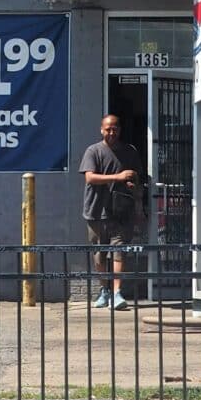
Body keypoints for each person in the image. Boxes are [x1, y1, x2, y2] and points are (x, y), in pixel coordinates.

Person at [78, 114, 144, 310]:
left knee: (119, 252)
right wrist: (118, 176)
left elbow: (137, 178)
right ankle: (104, 290)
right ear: (101, 130)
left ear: (120, 130)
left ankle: (116, 292)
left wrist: (133, 185)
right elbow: (89, 178)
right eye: (108, 129)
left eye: (115, 128)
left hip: (121, 212)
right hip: (97, 211)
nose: (111, 132)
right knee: (99, 255)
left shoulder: (130, 152)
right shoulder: (93, 151)